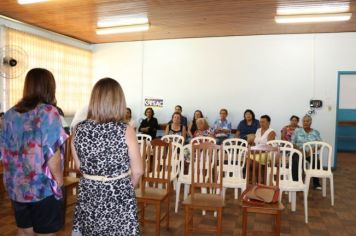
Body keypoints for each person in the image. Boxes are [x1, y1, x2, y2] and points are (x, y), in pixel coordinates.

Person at [0, 68, 68, 235]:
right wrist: (59, 182)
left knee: (24, 231)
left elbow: (4, 150)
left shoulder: (9, 115)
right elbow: (52, 152)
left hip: (16, 186)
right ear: (49, 87)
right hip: (42, 187)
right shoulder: (48, 112)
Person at [71, 78, 143, 235]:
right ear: (118, 101)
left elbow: (79, 167)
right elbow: (138, 171)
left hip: (89, 192)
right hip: (118, 193)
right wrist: (123, 188)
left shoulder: (78, 129)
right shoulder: (126, 130)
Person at [291, 115, 322, 189]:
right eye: (304, 121)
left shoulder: (315, 132)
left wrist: (312, 151)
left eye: (307, 121)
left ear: (311, 122)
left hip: (310, 152)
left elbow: (320, 144)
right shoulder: (297, 131)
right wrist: (299, 150)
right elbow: (292, 142)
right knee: (296, 160)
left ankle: (316, 183)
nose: (305, 123)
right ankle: (296, 182)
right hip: (299, 151)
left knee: (316, 161)